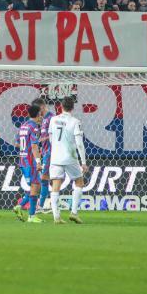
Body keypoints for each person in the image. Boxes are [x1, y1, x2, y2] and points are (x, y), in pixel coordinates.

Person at [47, 96, 87, 225]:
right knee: (79, 182)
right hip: (70, 157)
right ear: (73, 108)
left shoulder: (53, 119)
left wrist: (57, 150)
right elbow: (79, 144)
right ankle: (74, 213)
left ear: (61, 106)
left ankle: (56, 217)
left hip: (56, 157)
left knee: (56, 186)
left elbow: (50, 138)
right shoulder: (75, 121)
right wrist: (84, 162)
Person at [13, 101, 44, 223]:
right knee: (36, 186)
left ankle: (19, 207)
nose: (41, 117)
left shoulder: (23, 125)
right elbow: (35, 147)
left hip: (23, 161)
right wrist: (38, 161)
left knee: (34, 187)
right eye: (40, 114)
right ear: (37, 115)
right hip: (31, 162)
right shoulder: (34, 127)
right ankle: (31, 216)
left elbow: (16, 143)